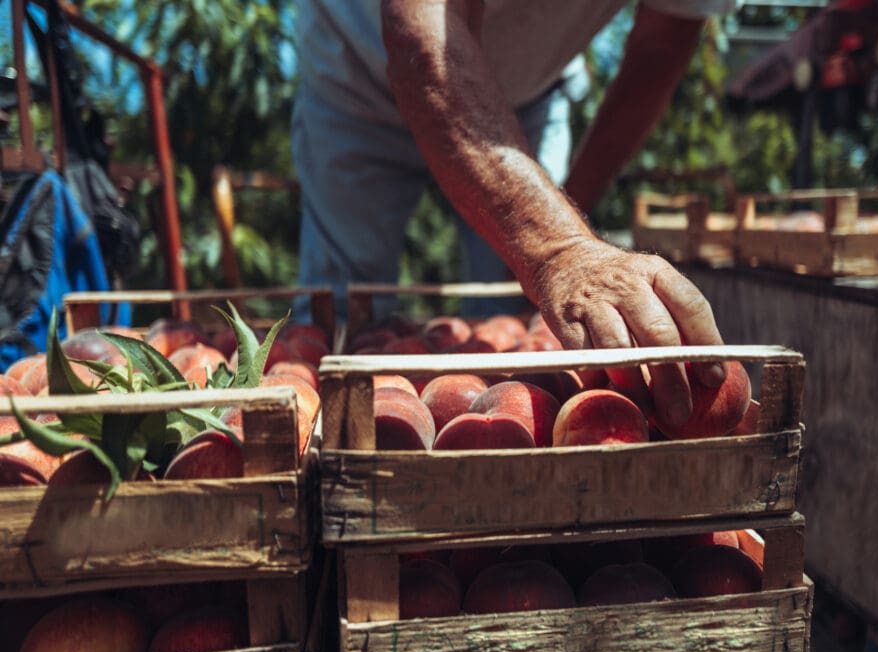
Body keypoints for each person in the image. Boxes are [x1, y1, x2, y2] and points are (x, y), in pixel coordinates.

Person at [293, 0, 736, 424]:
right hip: (356, 74)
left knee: (522, 323)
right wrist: (559, 249)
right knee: (339, 318)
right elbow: (422, 32)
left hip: (527, 95)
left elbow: (660, 48)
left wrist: (565, 226)